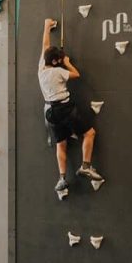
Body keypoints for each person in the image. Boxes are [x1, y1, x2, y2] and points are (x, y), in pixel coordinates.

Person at [39, 18, 103, 193]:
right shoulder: (59, 71)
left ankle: (62, 178)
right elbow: (76, 74)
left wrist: (47, 27)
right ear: (55, 62)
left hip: (50, 112)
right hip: (65, 109)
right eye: (58, 59)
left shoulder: (41, 69)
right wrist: (66, 63)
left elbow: (45, 46)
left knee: (61, 144)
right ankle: (86, 166)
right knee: (89, 133)